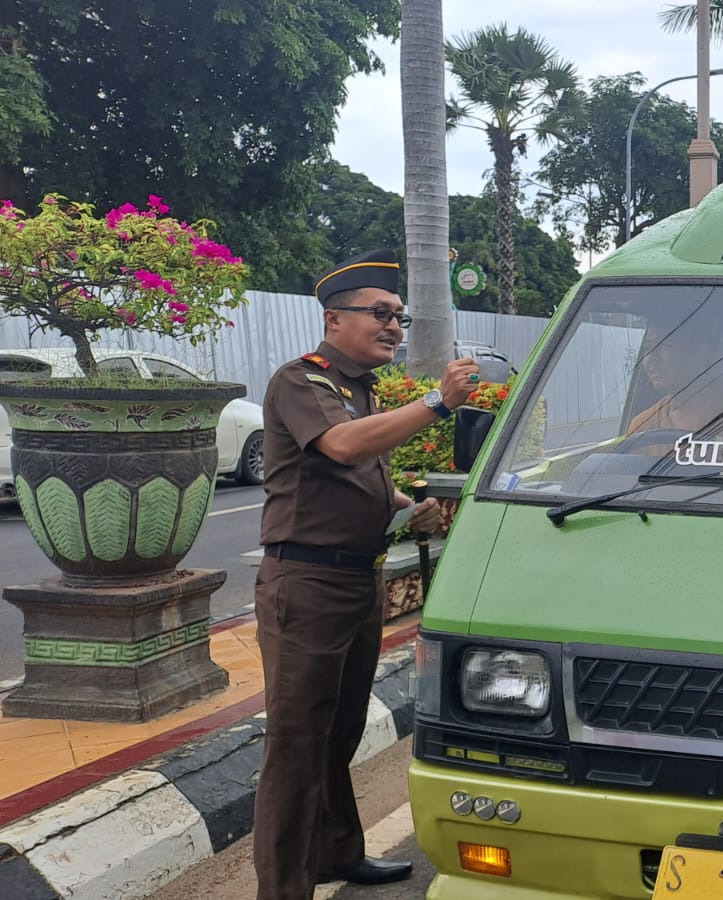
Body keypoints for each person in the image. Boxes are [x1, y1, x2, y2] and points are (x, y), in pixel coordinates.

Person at [253, 249, 480, 900]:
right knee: (297, 744)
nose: (394, 326)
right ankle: (282, 890)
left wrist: (411, 511)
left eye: (399, 317)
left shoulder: (359, 390)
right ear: (334, 320)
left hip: (354, 583)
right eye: (380, 314)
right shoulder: (302, 380)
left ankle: (336, 853)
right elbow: (344, 447)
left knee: (340, 731)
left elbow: (360, 477)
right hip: (306, 585)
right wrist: (438, 402)